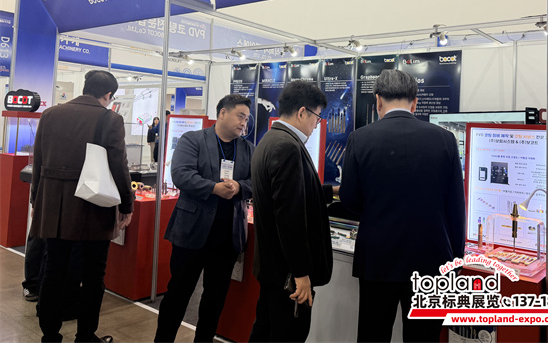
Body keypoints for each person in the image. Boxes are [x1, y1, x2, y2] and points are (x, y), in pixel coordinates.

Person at [340, 69, 466, 343]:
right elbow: (456, 207)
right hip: (431, 263)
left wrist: (376, 214)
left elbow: (349, 199)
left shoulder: (360, 139)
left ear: (377, 101)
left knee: (373, 336)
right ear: (415, 102)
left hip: (377, 260)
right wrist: (457, 260)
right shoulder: (445, 140)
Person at [30, 70, 134, 343]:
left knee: (53, 270)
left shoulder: (50, 114)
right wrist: (127, 203)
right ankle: (85, 336)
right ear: (108, 95)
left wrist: (36, 200)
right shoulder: (110, 119)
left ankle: (50, 336)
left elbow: (38, 160)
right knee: (93, 274)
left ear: (86, 87)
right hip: (94, 205)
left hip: (53, 205)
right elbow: (119, 164)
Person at [154, 95, 254, 343]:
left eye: (247, 118)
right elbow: (181, 174)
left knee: (215, 299)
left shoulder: (248, 148)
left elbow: (257, 182)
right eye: (240, 116)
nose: (244, 123)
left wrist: (239, 187)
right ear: (222, 113)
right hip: (192, 232)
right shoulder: (193, 139)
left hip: (228, 237)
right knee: (178, 294)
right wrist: (213, 188)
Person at [249, 81, 333, 342]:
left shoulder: (270, 139)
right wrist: (301, 273)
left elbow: (292, 195)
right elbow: (289, 217)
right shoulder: (287, 146)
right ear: (302, 112)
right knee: (287, 334)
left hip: (273, 268)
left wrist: (330, 192)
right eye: (317, 117)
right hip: (286, 274)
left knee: (264, 331)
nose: (316, 124)